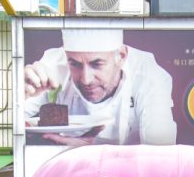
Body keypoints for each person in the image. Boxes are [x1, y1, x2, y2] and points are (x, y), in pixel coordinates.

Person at [24, 29, 177, 146]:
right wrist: (21, 94)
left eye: (97, 64)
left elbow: (161, 153)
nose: (86, 80)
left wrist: (92, 151)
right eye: (75, 64)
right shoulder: (52, 66)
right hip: (64, 168)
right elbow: (14, 124)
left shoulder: (149, 74)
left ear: (121, 56)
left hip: (130, 175)